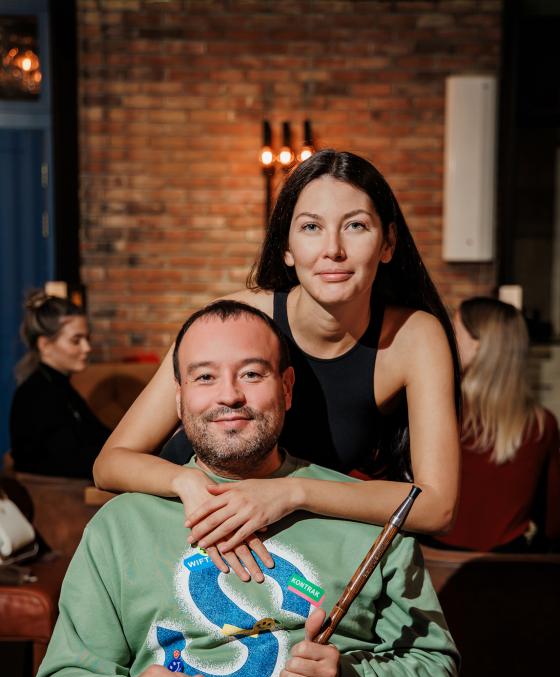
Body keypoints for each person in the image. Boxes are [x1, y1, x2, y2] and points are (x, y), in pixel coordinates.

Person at [34, 302, 458, 677]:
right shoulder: (121, 526)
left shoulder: (367, 513)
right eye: (205, 377)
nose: (230, 395)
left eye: (252, 374)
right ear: (179, 398)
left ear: (287, 388)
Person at [93, 149, 461, 580]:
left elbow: (437, 506)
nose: (333, 250)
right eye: (311, 227)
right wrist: (186, 482)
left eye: (355, 226)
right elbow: (110, 463)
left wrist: (292, 493)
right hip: (202, 515)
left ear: (388, 243)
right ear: (286, 248)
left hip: (292, 535)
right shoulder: (240, 319)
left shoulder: (414, 337)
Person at [433, 297, 560, 552]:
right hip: (505, 567)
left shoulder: (439, 409)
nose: (446, 338)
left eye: (454, 330)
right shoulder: (541, 424)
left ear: (480, 346)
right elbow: (552, 523)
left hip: (432, 562)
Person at [9, 291, 110, 479]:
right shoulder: (36, 394)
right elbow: (66, 460)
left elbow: (101, 438)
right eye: (76, 340)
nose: (87, 348)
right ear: (45, 345)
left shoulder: (59, 386)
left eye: (87, 339)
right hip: (60, 493)